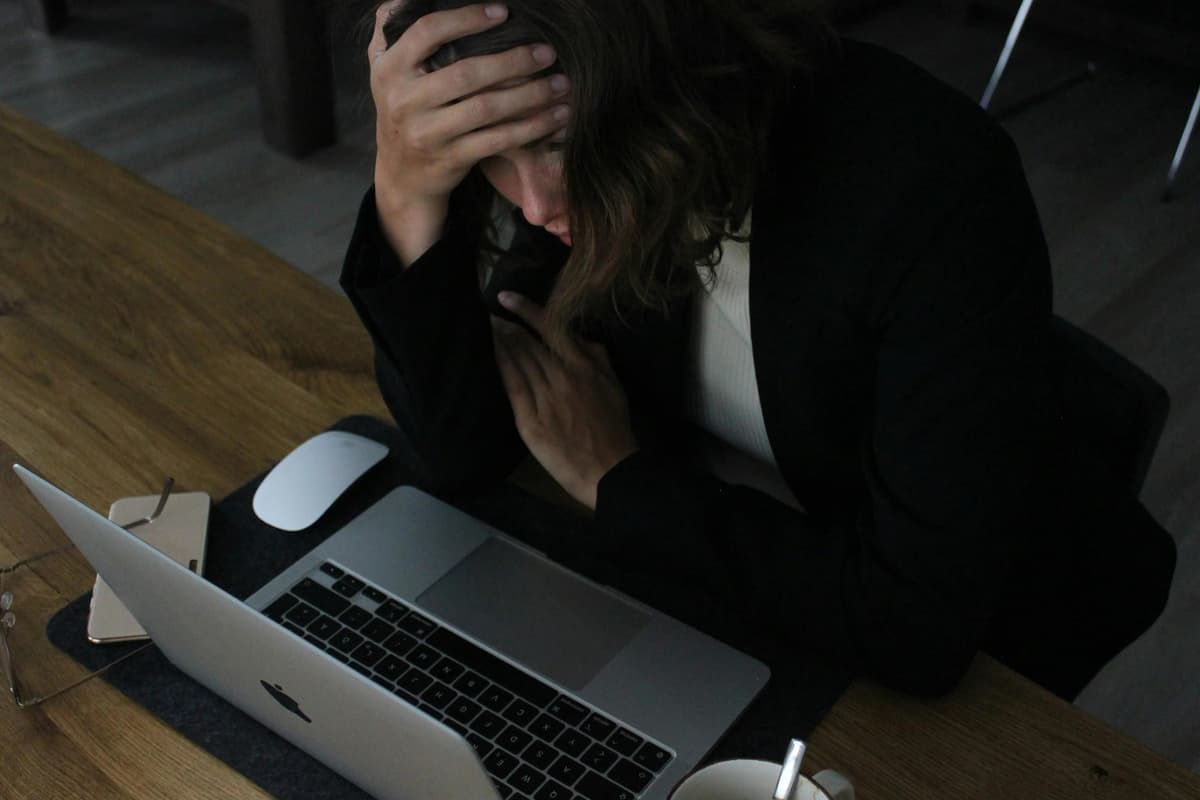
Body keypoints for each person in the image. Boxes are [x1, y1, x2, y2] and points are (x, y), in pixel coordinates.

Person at [341, 0, 1176, 701]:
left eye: (557, 150)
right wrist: (406, 187)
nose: (533, 206)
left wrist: (617, 480)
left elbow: (916, 631)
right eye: (489, 161)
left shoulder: (931, 185)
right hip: (733, 590)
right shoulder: (576, 151)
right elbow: (463, 448)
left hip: (968, 656)